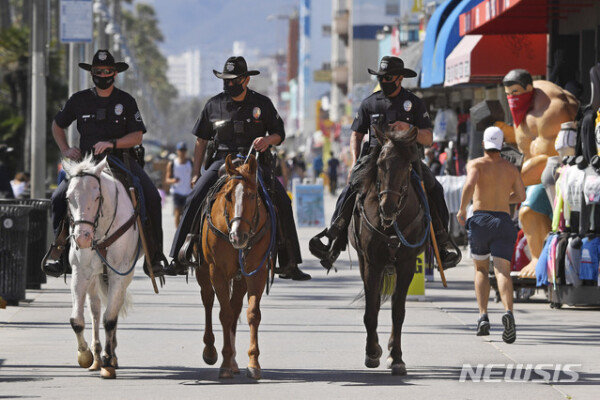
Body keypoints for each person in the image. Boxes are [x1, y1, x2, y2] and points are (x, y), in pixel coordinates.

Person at [309, 56, 461, 270]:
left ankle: (442, 244)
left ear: (399, 78)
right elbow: (356, 135)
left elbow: (428, 138)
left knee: (434, 188)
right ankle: (334, 237)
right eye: (381, 77)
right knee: (351, 188)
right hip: (374, 157)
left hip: (407, 158)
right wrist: (354, 161)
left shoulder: (414, 103)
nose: (383, 81)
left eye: (387, 77)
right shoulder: (370, 103)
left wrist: (409, 130)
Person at [166, 56, 310, 281]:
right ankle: (178, 257)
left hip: (254, 163)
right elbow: (201, 141)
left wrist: (267, 140)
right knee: (194, 197)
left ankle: (289, 261)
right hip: (222, 162)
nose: (229, 84)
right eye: (226, 79)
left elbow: (279, 134)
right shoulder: (213, 105)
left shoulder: (262, 104)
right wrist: (196, 173)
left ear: (245, 80)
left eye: (233, 79)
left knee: (283, 201)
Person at [42, 49, 167, 278]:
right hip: (86, 164)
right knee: (58, 197)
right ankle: (59, 253)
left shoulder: (125, 101)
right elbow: (57, 125)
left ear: (115, 73)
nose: (103, 74)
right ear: (92, 73)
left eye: (107, 71)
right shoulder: (78, 100)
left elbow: (137, 136)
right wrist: (66, 149)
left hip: (121, 160)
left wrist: (113, 143)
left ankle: (155, 256)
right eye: (98, 71)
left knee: (152, 196)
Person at [501, 69, 578, 279]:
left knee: (529, 211)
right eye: (508, 94)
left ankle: (541, 260)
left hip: (557, 172)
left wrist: (514, 182)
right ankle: (538, 257)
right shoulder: (525, 107)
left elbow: (551, 158)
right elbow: (525, 143)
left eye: (515, 92)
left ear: (528, 88)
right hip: (536, 173)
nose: (512, 98)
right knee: (526, 212)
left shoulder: (552, 109)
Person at [457, 126, 526, 343]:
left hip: (481, 219)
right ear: (501, 144)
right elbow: (521, 195)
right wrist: (504, 199)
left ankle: (483, 316)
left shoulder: (476, 164)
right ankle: (508, 312)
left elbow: (469, 184)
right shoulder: (511, 168)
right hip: (503, 221)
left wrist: (461, 209)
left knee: (481, 268)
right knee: (502, 270)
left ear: (483, 144)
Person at [165, 141, 193, 227]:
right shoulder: (172, 163)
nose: (182, 152)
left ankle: (184, 231)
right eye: (181, 150)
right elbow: (167, 179)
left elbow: (195, 175)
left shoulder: (190, 163)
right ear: (177, 151)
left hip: (188, 192)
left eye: (184, 150)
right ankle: (177, 231)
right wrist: (173, 180)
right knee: (177, 212)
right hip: (176, 191)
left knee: (186, 214)